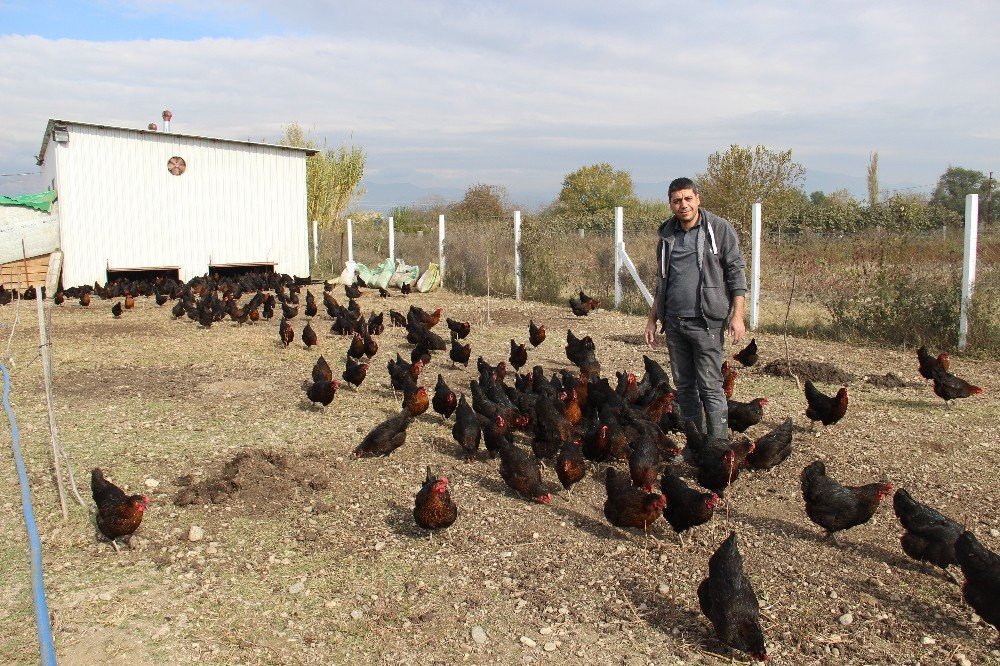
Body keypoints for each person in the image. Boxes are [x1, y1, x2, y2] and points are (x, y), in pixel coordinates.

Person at [644, 177, 747, 439]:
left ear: (697, 199)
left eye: (688, 199)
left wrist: (738, 316)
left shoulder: (719, 229)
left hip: (707, 322)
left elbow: (736, 272)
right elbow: (661, 281)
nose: (683, 205)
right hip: (675, 323)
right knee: (685, 387)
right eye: (677, 201)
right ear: (670, 204)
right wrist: (652, 319)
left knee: (711, 386)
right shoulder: (667, 235)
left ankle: (718, 447)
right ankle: (695, 445)